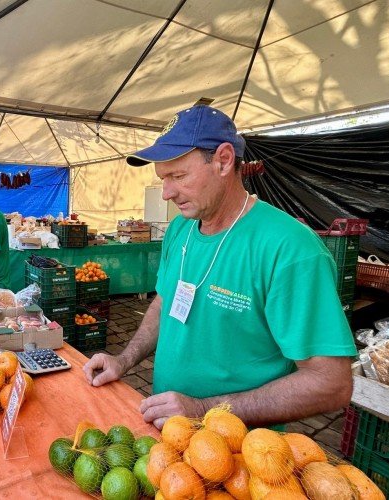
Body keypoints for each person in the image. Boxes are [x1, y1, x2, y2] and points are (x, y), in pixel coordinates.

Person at [83, 105, 356, 429]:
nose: (167, 193)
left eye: (178, 176)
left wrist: (202, 409)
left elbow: (331, 384)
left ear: (224, 161)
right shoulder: (181, 229)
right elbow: (165, 302)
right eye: (162, 178)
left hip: (236, 458)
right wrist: (123, 360)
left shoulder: (290, 248)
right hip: (167, 433)